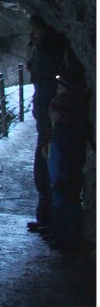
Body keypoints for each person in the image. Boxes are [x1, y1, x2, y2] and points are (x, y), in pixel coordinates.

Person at [26, 16, 67, 233]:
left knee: (52, 166)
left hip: (53, 117)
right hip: (45, 115)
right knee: (43, 166)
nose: (31, 34)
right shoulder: (42, 47)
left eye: (34, 30)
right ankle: (46, 219)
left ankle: (54, 224)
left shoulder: (52, 49)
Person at [47, 50, 91, 250]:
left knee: (65, 195)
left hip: (66, 163)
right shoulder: (71, 122)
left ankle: (65, 237)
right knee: (65, 194)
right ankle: (62, 234)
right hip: (65, 158)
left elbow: (66, 152)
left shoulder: (68, 126)